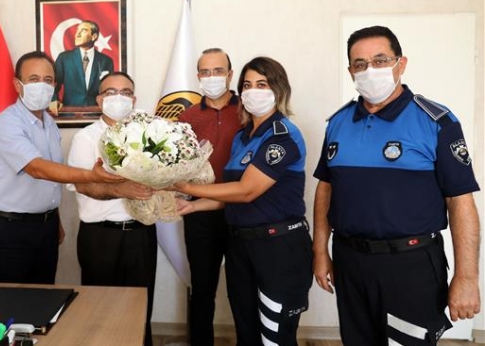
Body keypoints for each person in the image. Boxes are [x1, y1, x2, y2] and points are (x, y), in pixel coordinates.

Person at [312, 25, 481, 345]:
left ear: (401, 64)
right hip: (350, 261)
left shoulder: (436, 121)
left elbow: (460, 201)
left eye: (380, 60)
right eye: (360, 64)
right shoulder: (338, 123)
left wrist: (467, 277)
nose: (369, 70)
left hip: (410, 265)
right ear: (350, 71)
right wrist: (320, 250)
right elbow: (326, 189)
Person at [175, 56, 312, 346]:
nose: (252, 91)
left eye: (262, 84)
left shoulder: (283, 136)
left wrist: (187, 187)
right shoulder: (242, 137)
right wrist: (193, 205)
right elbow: (231, 195)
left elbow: (246, 191)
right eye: (247, 85)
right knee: (246, 332)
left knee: (274, 336)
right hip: (241, 245)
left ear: (279, 89)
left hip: (276, 247)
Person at [0, 51, 121, 285]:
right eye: (34, 79)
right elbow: (38, 169)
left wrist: (54, 218)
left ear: (55, 85)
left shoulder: (49, 124)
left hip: (45, 226)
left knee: (44, 296)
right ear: (18, 84)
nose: (42, 86)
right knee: (12, 299)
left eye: (48, 80)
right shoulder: (6, 122)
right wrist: (90, 176)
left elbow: (51, 180)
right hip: (9, 229)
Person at [67, 71, 157, 346]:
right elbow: (82, 186)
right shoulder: (85, 138)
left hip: (141, 234)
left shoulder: (149, 135)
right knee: (100, 311)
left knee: (141, 310)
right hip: (100, 238)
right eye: (110, 92)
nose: (119, 98)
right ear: (99, 100)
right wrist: (120, 190)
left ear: (134, 100)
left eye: (125, 93)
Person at [177, 48, 241, 346]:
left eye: (218, 71)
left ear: (230, 74)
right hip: (200, 212)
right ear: (198, 76)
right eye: (205, 72)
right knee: (202, 289)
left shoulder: (249, 110)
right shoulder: (187, 116)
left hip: (242, 210)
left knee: (242, 288)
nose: (211, 77)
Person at [51, 20, 114, 110]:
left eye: (83, 30)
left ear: (94, 36)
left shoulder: (106, 61)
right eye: (77, 30)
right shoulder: (64, 58)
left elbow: (109, 89)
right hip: (69, 113)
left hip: (96, 113)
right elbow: (53, 84)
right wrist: (54, 100)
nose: (77, 34)